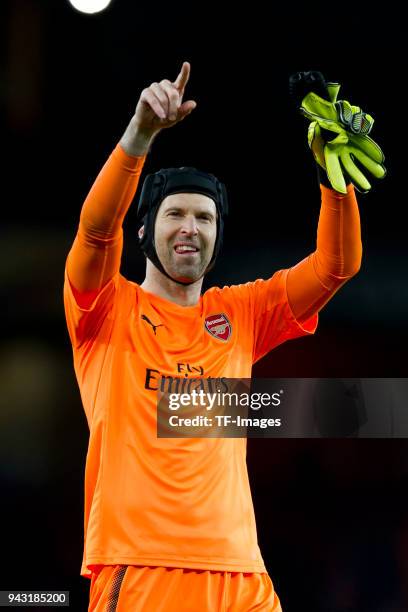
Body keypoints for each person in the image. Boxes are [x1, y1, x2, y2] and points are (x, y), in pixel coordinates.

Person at [63, 61, 364, 611]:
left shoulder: (241, 313)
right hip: (145, 568)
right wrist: (139, 136)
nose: (190, 228)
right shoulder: (105, 308)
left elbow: (334, 267)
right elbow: (95, 229)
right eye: (174, 213)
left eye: (205, 218)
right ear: (145, 229)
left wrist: (333, 182)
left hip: (243, 575)